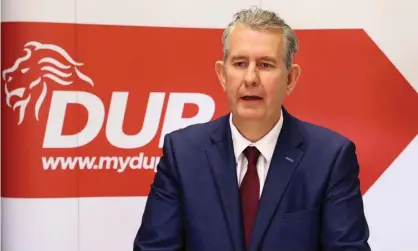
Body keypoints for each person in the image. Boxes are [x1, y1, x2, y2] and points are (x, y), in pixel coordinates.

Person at [133, 6, 371, 251]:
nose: (250, 78)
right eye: (239, 63)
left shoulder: (330, 158)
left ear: (290, 78)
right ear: (222, 75)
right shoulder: (182, 153)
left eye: (265, 65)